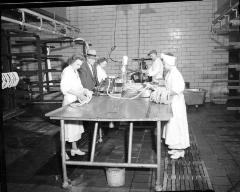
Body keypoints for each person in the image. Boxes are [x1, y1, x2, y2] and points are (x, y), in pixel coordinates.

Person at [60, 54, 93, 159]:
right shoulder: (67, 71)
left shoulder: (75, 71)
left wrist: (85, 90)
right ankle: (62, 152)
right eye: (78, 64)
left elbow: (78, 86)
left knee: (75, 128)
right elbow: (65, 88)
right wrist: (78, 94)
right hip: (69, 102)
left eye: (80, 64)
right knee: (66, 129)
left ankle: (74, 149)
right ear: (72, 62)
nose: (79, 66)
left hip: (75, 102)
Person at [160, 52, 190, 159]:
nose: (163, 66)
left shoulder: (176, 73)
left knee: (177, 125)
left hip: (177, 103)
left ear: (169, 63)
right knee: (172, 125)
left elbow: (179, 88)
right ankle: (175, 146)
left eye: (164, 64)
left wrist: (166, 93)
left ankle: (181, 150)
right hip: (172, 102)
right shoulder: (169, 72)